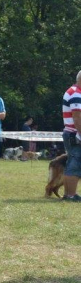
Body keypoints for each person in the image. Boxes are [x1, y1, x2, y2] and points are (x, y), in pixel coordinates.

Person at [60, 70, 81, 202]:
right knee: (75, 165)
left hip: (71, 133)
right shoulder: (76, 93)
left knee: (71, 164)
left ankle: (69, 194)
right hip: (75, 133)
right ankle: (71, 195)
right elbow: (77, 117)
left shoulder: (73, 91)